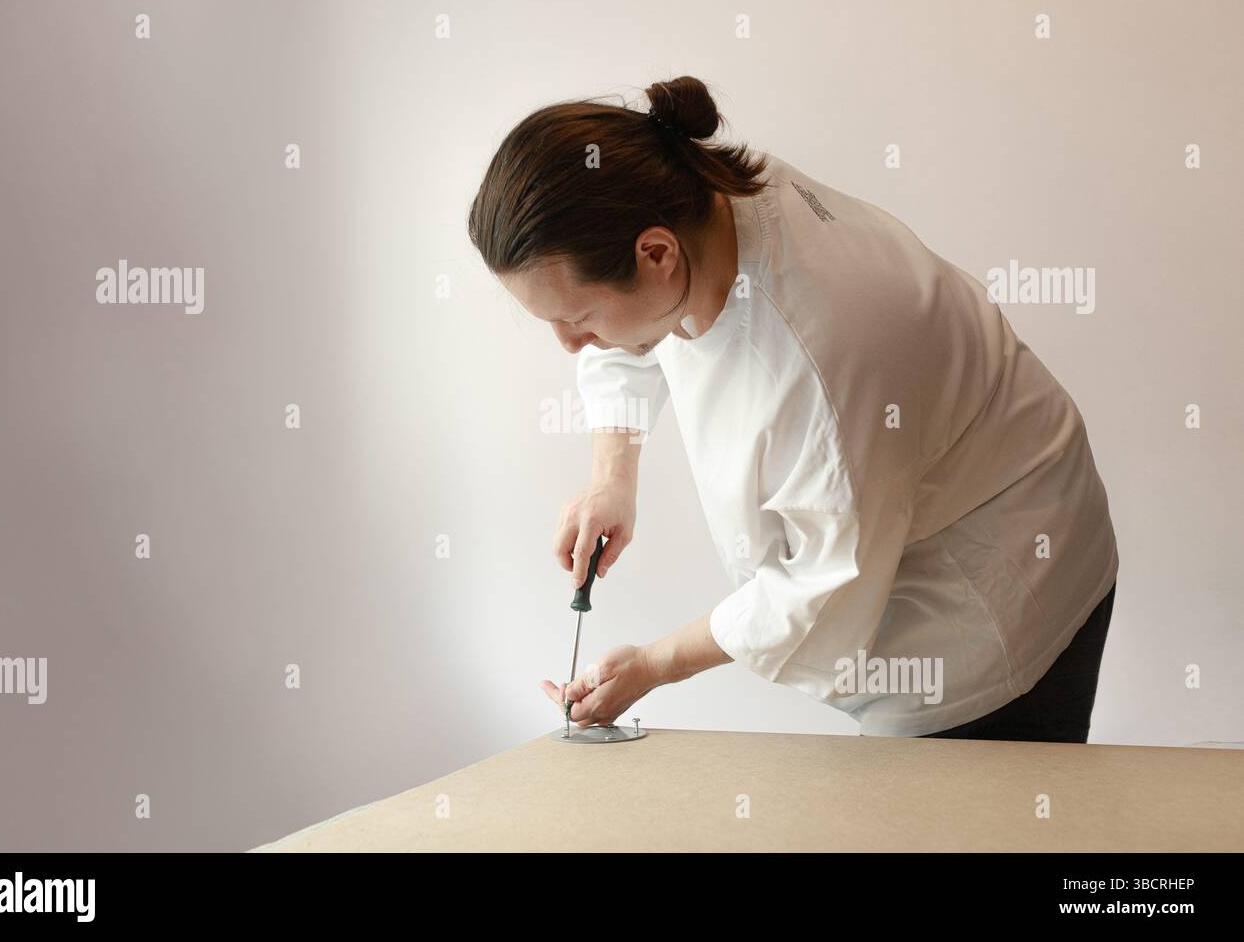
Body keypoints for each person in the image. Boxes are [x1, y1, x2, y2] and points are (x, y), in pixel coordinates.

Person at [467, 76, 1119, 742]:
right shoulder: (693, 194)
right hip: (905, 501)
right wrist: (612, 479)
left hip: (997, 591)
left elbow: (817, 591)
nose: (571, 344)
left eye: (574, 318)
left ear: (656, 254)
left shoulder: (823, 353)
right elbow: (626, 334)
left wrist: (651, 666)